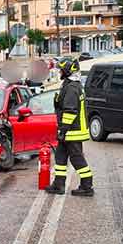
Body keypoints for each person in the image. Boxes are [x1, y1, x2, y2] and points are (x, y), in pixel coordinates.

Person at [46, 58, 94, 196]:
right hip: (68, 131)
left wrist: (63, 130)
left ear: (67, 71)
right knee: (60, 157)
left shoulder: (72, 88)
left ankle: (87, 186)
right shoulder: (69, 85)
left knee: (76, 158)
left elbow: (70, 111)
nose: (59, 72)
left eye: (61, 70)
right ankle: (58, 185)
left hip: (72, 132)